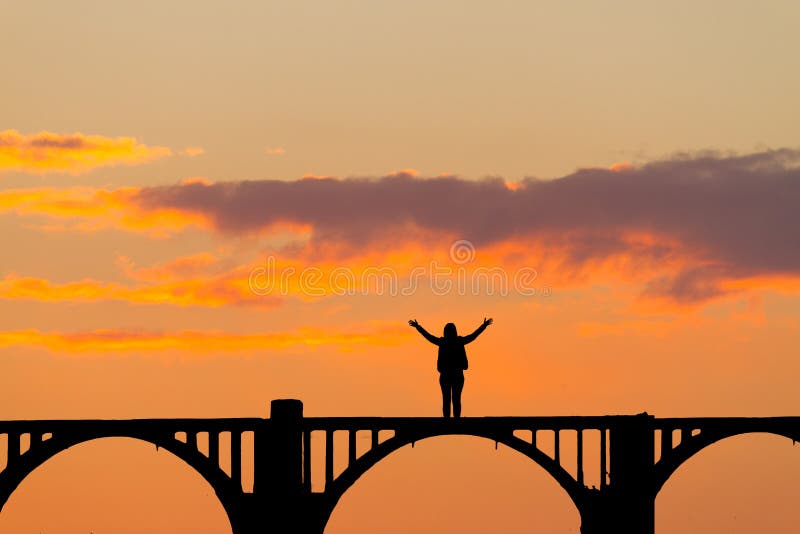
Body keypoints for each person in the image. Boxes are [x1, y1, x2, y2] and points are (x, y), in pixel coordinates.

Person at [408, 317, 493, 418]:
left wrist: (418, 327)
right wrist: (484, 326)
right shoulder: (459, 341)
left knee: (446, 399)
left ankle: (447, 420)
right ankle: (456, 419)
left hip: (446, 375)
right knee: (456, 398)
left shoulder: (443, 342)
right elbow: (473, 336)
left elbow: (429, 337)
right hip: (457, 374)